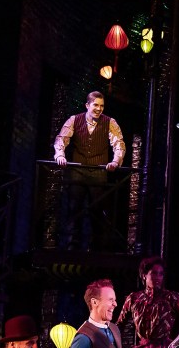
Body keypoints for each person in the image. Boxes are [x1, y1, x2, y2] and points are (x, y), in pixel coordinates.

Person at [52, 91, 127, 250]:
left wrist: (115, 161)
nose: (99, 109)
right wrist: (60, 155)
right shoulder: (74, 119)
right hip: (78, 171)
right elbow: (61, 139)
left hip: (98, 172)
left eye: (102, 106)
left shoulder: (110, 122)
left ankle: (96, 247)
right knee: (74, 208)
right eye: (96, 105)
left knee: (97, 210)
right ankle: (72, 246)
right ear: (87, 105)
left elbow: (119, 144)